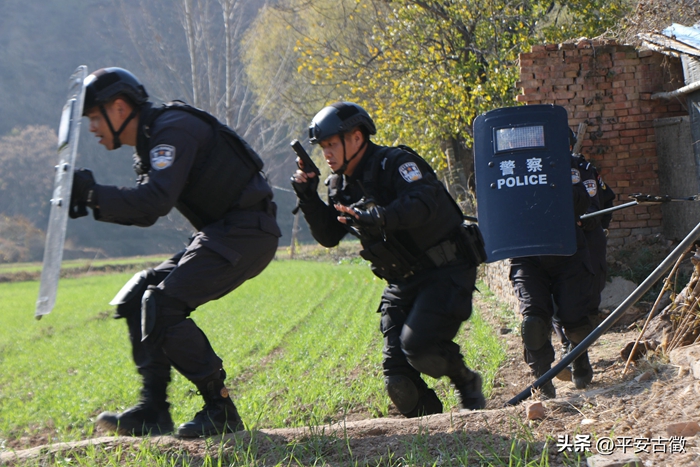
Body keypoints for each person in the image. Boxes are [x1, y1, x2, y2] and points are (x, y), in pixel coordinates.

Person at [71, 67, 281, 437]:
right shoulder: (152, 139)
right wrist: (93, 200)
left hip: (248, 231)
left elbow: (155, 201)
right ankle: (154, 411)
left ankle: (221, 407)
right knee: (138, 295)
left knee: (164, 304)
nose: (91, 127)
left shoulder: (172, 129)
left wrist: (93, 193)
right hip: (224, 231)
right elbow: (147, 213)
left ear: (119, 108)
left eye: (93, 117)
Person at [290, 102, 487, 417]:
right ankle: (435, 430)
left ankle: (466, 382)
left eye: (331, 144)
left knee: (419, 348)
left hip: (445, 269)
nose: (326, 153)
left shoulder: (395, 163)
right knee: (399, 382)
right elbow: (328, 236)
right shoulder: (339, 186)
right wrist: (308, 195)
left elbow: (422, 202)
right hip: (402, 280)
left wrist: (380, 216)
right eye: (323, 147)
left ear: (356, 138)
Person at [509, 133, 600, 398]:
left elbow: (591, 211)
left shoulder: (577, 169)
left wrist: (554, 181)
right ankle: (542, 378)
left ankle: (579, 358)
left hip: (567, 251)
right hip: (526, 254)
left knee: (575, 318)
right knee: (533, 321)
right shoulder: (511, 170)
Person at [553, 130, 615, 382]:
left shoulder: (580, 168)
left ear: (568, 146)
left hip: (587, 242)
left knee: (587, 297)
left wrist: (596, 226)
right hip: (555, 246)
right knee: (559, 301)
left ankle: (578, 354)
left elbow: (600, 204)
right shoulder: (537, 171)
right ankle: (572, 351)